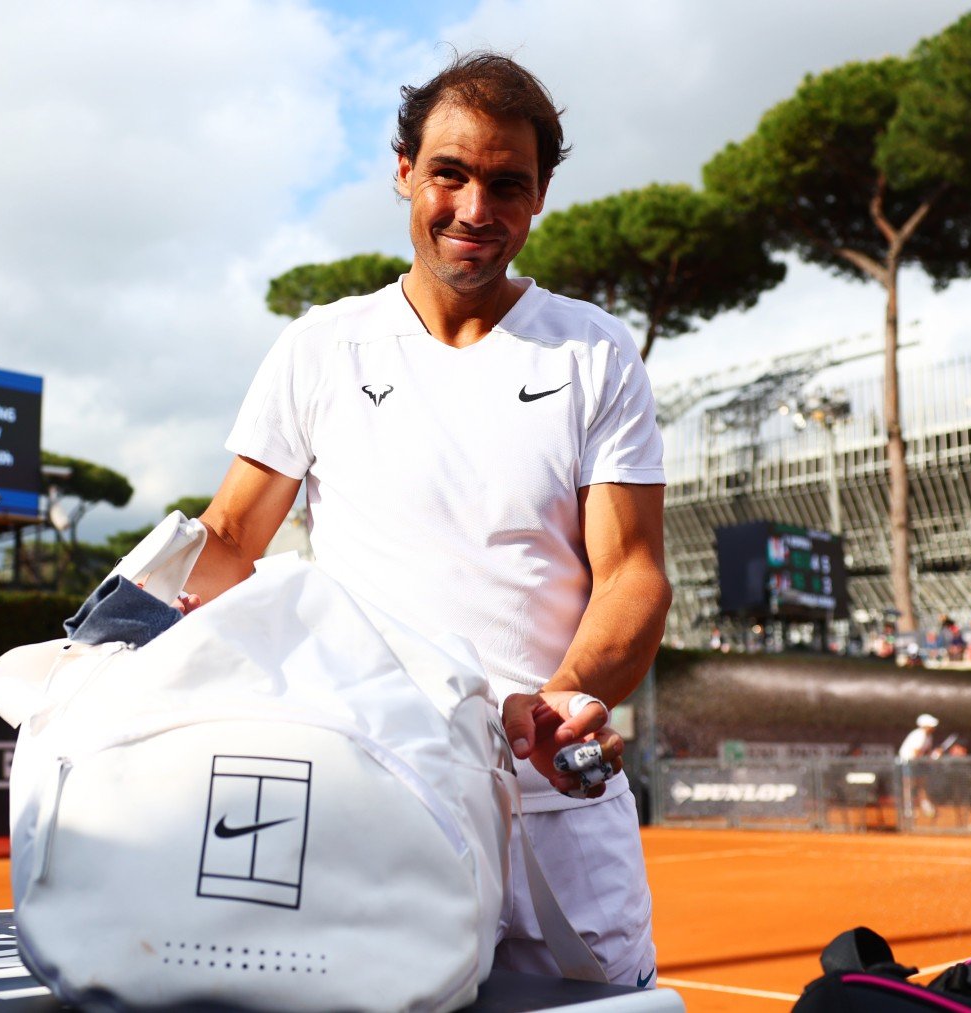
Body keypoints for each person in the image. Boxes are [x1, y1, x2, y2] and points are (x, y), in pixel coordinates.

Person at [180, 52, 666, 988]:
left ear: (540, 196)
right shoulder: (321, 344)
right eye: (450, 172)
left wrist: (562, 702)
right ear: (404, 170)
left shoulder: (597, 350)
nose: (475, 210)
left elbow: (634, 572)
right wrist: (125, 621)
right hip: (376, 804)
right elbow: (232, 537)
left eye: (506, 184)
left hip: (556, 810)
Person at [898, 713, 942, 819]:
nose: (933, 727)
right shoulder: (919, 735)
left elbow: (927, 753)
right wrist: (929, 758)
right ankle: (908, 811)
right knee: (909, 786)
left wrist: (935, 754)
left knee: (921, 784)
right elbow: (916, 752)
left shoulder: (929, 737)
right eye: (931, 725)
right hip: (908, 762)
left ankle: (925, 806)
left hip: (917, 763)